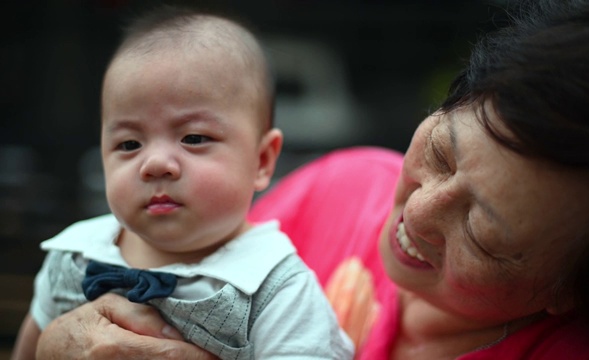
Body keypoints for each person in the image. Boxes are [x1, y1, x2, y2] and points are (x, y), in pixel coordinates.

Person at [32, 0, 589, 358]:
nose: (417, 214)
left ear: (575, 287)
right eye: (443, 154)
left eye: (482, 234)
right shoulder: (343, 191)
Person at [10, 5, 353, 360]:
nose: (155, 163)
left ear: (262, 160)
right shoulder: (75, 256)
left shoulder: (278, 290)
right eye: (129, 144)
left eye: (193, 138)